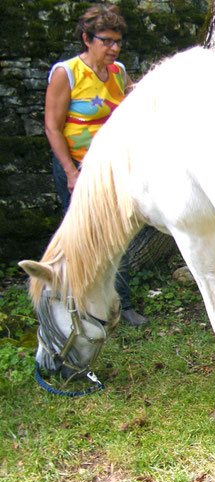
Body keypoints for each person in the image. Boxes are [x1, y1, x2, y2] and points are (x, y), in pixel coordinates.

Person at [44, 3, 148, 326]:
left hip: (113, 173)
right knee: (82, 237)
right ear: (87, 39)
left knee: (117, 234)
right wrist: (71, 172)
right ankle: (78, 304)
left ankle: (122, 305)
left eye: (118, 41)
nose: (114, 48)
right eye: (106, 41)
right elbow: (52, 126)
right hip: (77, 170)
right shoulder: (67, 73)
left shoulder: (118, 73)